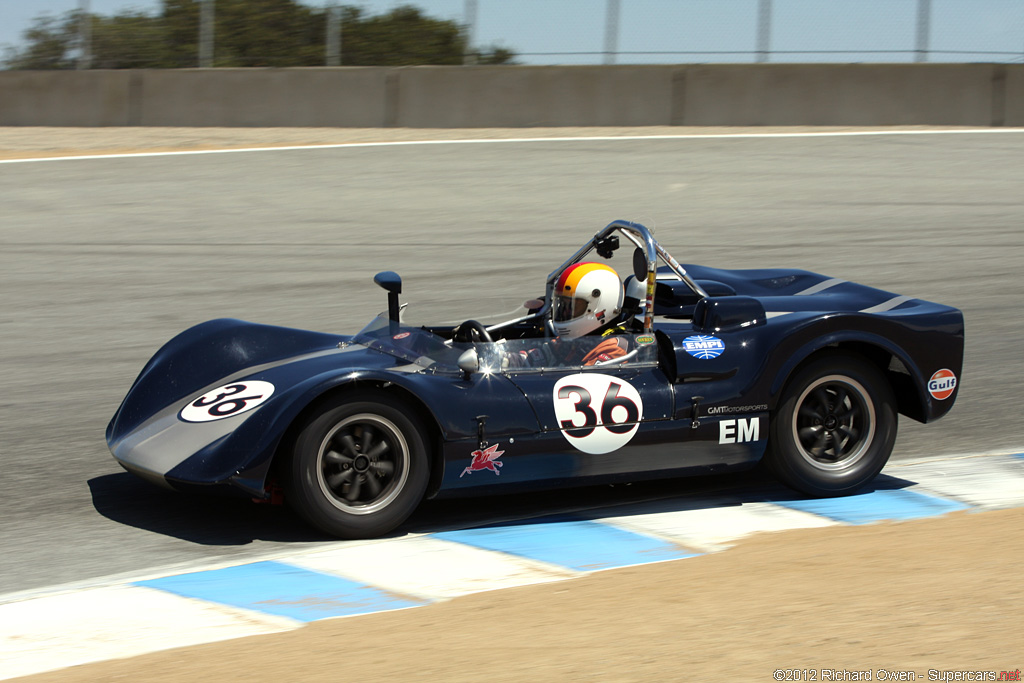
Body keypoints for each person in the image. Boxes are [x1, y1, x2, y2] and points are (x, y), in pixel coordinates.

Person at [508, 262, 632, 367]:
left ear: (601, 308)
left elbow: (582, 381)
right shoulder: (573, 340)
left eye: (573, 306)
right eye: (563, 305)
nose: (565, 312)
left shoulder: (613, 350)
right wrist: (505, 360)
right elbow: (537, 357)